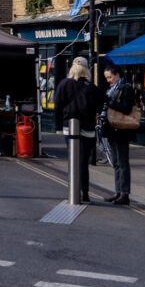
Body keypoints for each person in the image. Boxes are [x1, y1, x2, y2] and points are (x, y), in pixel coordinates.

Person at [53, 58, 100, 202]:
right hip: (87, 128)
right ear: (87, 69)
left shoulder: (64, 84)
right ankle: (84, 192)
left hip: (70, 127)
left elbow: (57, 106)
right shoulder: (91, 87)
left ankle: (74, 191)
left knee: (73, 159)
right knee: (83, 162)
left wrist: (58, 127)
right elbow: (98, 106)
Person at [102, 64, 136, 205]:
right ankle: (118, 192)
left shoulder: (126, 88)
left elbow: (126, 108)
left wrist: (109, 103)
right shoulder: (111, 89)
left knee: (123, 163)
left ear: (117, 75)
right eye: (107, 78)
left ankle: (125, 194)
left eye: (110, 77)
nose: (108, 80)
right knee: (115, 163)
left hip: (122, 130)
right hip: (111, 130)